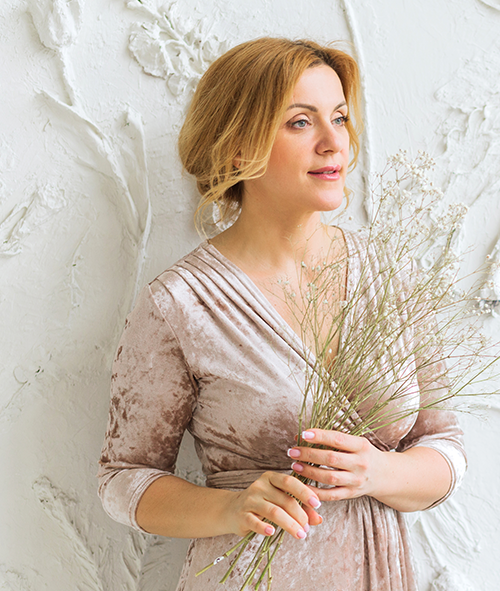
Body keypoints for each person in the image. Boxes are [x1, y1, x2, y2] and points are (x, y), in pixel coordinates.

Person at [97, 37, 466, 591]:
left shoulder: (390, 274)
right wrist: (230, 509)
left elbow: (446, 448)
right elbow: (121, 479)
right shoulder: (182, 302)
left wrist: (378, 471)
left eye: (339, 118)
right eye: (300, 122)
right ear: (239, 148)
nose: (332, 142)